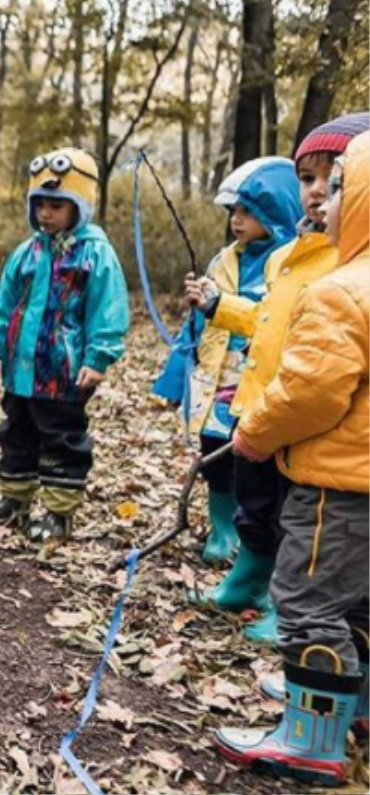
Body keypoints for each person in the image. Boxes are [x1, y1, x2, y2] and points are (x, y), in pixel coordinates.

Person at [214, 130, 370, 786]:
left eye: (339, 187)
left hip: (336, 482)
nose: (325, 199)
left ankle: (311, 739)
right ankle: (348, 709)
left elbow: (309, 391)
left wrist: (255, 430)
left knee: (306, 599)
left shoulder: (341, 291)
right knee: (356, 603)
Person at [184, 116, 368, 644]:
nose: (315, 192)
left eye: (330, 179)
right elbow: (269, 318)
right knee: (255, 504)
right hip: (260, 399)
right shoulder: (289, 256)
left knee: (299, 521)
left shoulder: (346, 262)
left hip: (308, 423)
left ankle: (284, 607)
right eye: (306, 179)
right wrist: (222, 307)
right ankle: (247, 580)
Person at [155, 157, 301, 643]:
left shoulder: (292, 261)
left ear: (276, 211)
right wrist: (175, 378)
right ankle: (225, 536)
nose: (236, 220)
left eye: (247, 210)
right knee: (217, 459)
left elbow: (270, 320)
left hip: (258, 387)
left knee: (263, 477)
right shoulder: (224, 260)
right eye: (232, 210)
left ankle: (271, 583)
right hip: (214, 383)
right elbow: (194, 328)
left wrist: (221, 305)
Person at [0, 147, 129, 542]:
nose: (46, 213)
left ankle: (60, 513)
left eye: (57, 205)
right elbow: (5, 304)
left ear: (79, 207)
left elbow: (108, 310)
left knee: (62, 440)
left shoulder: (94, 253)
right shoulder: (27, 252)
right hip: (20, 370)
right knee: (16, 434)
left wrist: (98, 358)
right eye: (40, 204)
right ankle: (16, 499)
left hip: (63, 369)